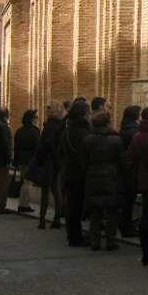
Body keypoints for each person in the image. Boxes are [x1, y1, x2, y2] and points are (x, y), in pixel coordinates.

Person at [82, 110, 129, 251]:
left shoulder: (88, 140)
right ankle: (110, 240)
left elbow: (83, 162)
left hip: (93, 177)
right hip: (111, 178)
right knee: (112, 212)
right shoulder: (116, 140)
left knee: (95, 212)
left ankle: (95, 241)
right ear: (108, 122)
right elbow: (122, 162)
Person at [127, 106, 148, 266]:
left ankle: (146, 252)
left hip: (144, 181)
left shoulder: (137, 137)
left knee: (146, 217)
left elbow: (130, 159)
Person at [62, 100, 92, 247]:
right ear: (85, 114)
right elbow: (86, 155)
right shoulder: (83, 132)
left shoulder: (68, 129)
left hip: (69, 172)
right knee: (76, 206)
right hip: (80, 174)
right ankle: (76, 237)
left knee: (72, 206)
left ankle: (73, 235)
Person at [33, 102, 67, 229]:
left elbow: (47, 144)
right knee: (56, 190)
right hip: (57, 162)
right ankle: (57, 218)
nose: (46, 112)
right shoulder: (61, 125)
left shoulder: (50, 126)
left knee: (46, 191)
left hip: (49, 161)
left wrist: (41, 156)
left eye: (48, 110)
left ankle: (42, 220)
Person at [118, 105, 141, 237]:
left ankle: (124, 225)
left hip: (124, 170)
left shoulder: (123, 129)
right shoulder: (134, 132)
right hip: (131, 171)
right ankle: (127, 227)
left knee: (126, 201)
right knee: (128, 201)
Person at [13, 109, 40, 213]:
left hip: (21, 160)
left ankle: (22, 204)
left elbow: (16, 147)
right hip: (30, 160)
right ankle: (25, 205)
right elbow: (37, 147)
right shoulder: (35, 131)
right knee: (27, 183)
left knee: (24, 181)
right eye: (36, 117)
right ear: (32, 119)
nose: (37, 119)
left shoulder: (20, 131)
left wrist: (15, 161)